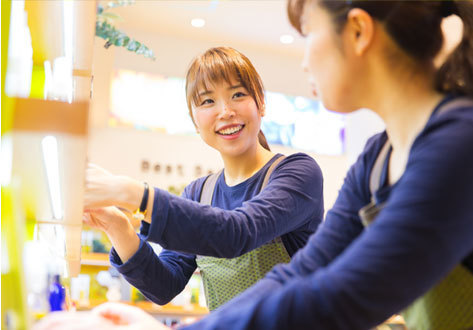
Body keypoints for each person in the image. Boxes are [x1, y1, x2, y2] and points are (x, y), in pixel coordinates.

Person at [35, 0, 473, 329]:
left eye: (307, 34)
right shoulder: (378, 157)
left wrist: (134, 192)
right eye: (207, 102)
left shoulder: (456, 144)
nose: (303, 60)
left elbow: (340, 293)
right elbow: (301, 274)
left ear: (357, 31)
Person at [82, 47, 324, 311]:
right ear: (195, 122)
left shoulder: (297, 173)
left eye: (238, 95)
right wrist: (117, 225)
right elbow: (163, 286)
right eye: (208, 101)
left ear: (261, 103)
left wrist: (129, 192)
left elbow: (237, 233)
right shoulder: (199, 192)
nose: (225, 111)